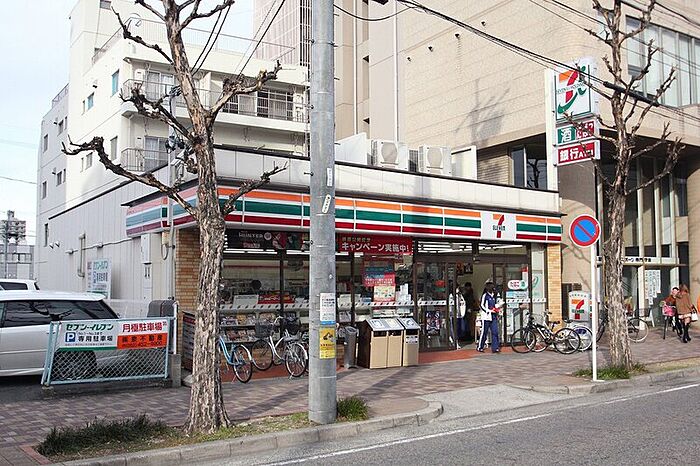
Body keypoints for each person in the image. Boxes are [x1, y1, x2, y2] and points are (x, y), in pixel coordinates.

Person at [477, 281, 501, 353]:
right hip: (486, 317)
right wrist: (489, 311)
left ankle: (495, 348)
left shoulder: (494, 295)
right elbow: (482, 305)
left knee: (495, 332)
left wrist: (497, 307)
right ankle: (480, 346)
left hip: (493, 316)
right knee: (484, 332)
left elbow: (496, 303)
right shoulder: (485, 295)